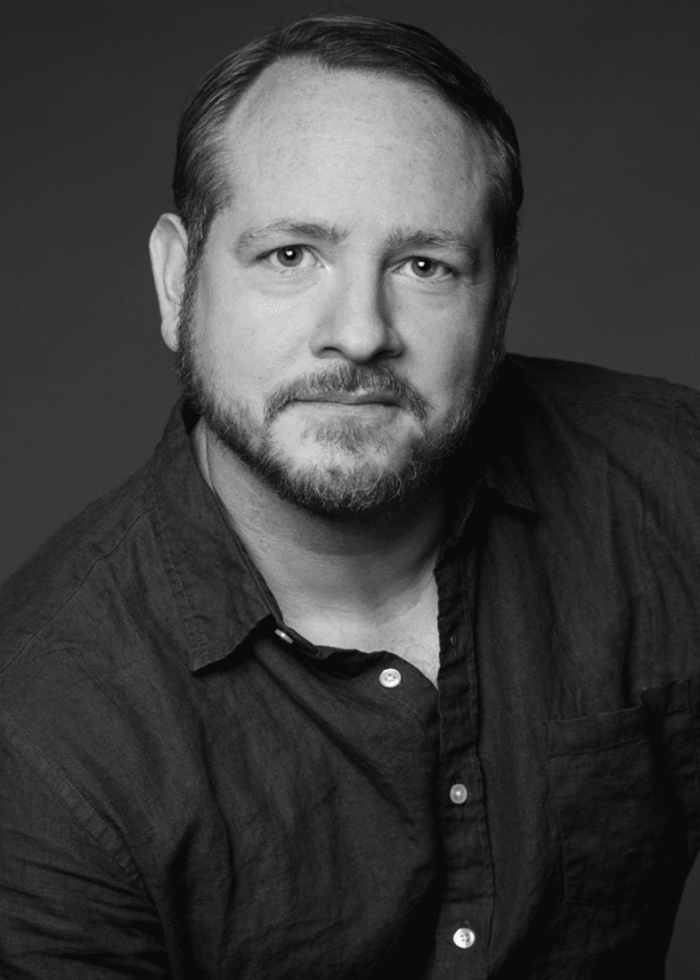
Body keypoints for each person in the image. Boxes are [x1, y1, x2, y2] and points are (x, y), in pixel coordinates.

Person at [1, 13, 699, 979]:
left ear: (495, 305)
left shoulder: (673, 485)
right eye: (291, 255)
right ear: (177, 281)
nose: (362, 333)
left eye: (424, 266)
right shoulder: (41, 741)